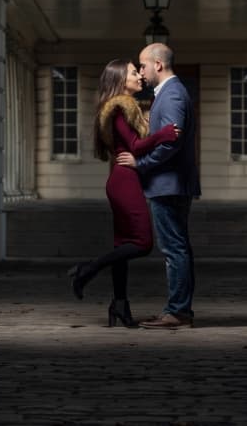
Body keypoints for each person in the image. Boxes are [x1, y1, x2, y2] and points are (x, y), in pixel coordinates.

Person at [68, 58, 179, 328]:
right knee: (142, 244)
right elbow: (135, 146)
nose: (139, 76)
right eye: (132, 72)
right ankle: (87, 269)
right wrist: (164, 134)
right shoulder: (119, 108)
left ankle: (119, 305)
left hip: (122, 179)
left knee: (123, 244)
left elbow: (133, 144)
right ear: (120, 79)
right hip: (124, 181)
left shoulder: (124, 109)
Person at [116, 43, 200, 330]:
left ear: (158, 64)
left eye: (143, 65)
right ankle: (177, 310)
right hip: (170, 183)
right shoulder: (168, 93)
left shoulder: (172, 93)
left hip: (169, 184)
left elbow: (171, 141)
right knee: (176, 248)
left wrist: (141, 163)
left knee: (174, 249)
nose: (141, 71)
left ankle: (178, 312)